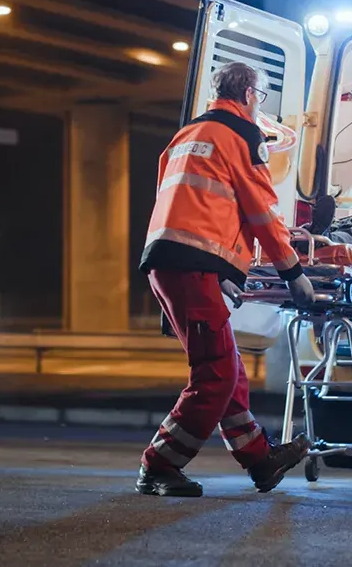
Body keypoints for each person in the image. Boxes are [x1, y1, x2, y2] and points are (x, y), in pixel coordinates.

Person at [131, 63, 316, 497]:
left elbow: (180, 203)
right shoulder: (242, 137)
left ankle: (259, 459)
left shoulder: (186, 135)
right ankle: (159, 464)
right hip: (192, 267)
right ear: (251, 94)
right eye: (262, 97)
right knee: (214, 374)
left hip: (169, 261)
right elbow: (261, 212)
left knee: (228, 369)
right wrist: (294, 273)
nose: (260, 106)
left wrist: (222, 269)